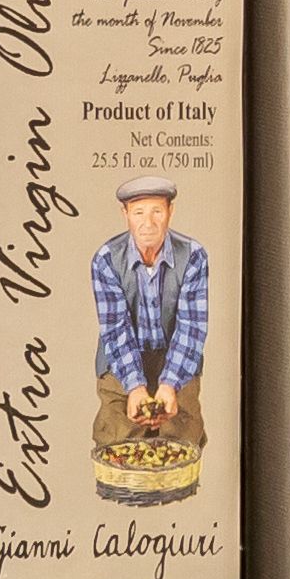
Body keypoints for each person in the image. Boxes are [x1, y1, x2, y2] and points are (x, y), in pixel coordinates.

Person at [82, 176, 208, 454]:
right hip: (120, 362)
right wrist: (135, 387)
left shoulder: (194, 255)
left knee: (183, 445)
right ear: (125, 214)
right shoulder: (105, 259)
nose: (148, 223)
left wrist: (170, 384)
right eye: (138, 213)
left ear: (170, 212)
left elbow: (192, 327)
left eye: (157, 212)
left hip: (178, 359)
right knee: (116, 444)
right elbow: (115, 329)